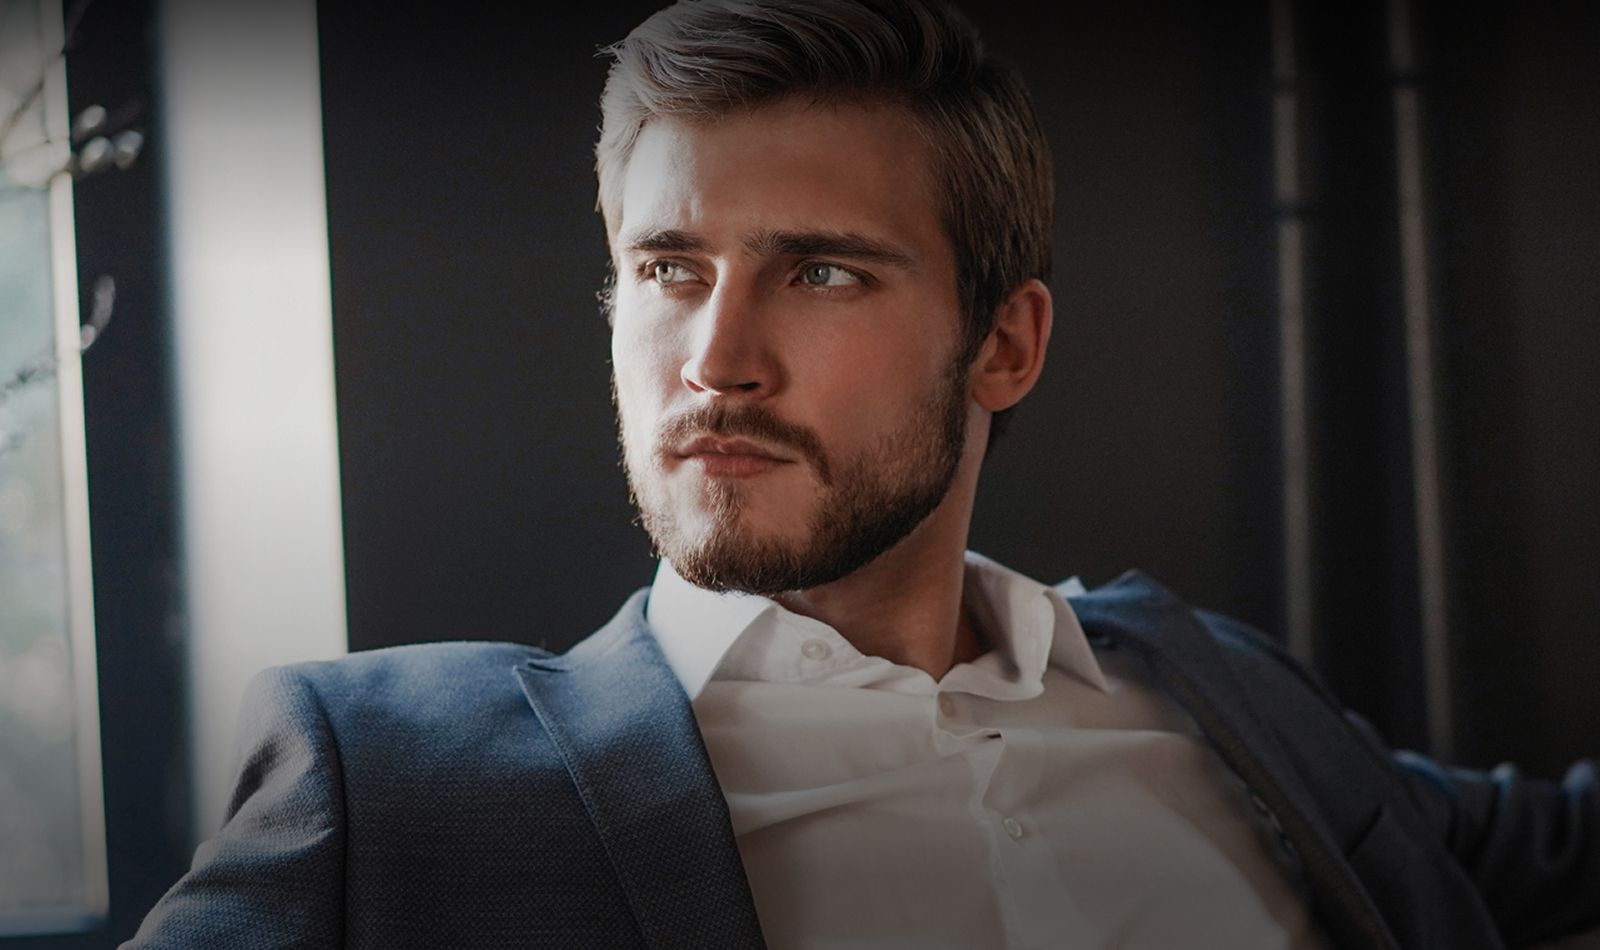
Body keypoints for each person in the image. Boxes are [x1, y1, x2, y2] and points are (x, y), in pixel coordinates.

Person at [126, 1, 1598, 947]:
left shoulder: (1213, 680)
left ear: (1004, 344)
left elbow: (1537, 848)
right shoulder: (391, 780)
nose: (716, 358)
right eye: (669, 267)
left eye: (820, 271)